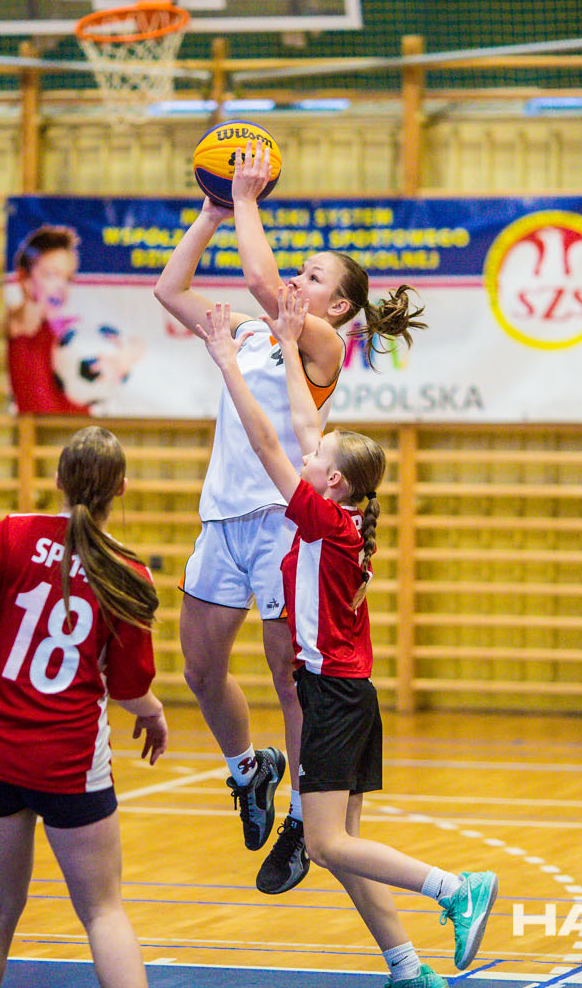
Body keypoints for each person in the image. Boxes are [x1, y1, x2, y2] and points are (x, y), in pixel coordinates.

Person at [193, 288, 496, 987]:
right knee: (344, 845)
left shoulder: (323, 521)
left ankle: (456, 888)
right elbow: (304, 420)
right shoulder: (341, 514)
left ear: (329, 480)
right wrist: (290, 341)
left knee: (327, 844)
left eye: (317, 456)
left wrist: (228, 362)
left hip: (331, 698)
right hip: (349, 695)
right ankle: (407, 969)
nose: (306, 450)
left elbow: (268, 441)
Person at [152, 143, 426, 895]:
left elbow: (261, 281)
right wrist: (211, 215)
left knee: (287, 676)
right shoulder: (249, 331)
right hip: (222, 518)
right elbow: (170, 290)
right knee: (199, 670)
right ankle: (249, 769)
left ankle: (304, 818)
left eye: (313, 277)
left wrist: (246, 197)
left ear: (337, 307)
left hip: (283, 522)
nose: (297, 281)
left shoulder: (323, 344)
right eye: (299, 271)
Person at [0, 425, 167, 988]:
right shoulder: (127, 572)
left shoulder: (14, 533)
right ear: (121, 489)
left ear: (59, 479)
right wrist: (153, 713)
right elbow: (128, 689)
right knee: (103, 912)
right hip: (68, 765)